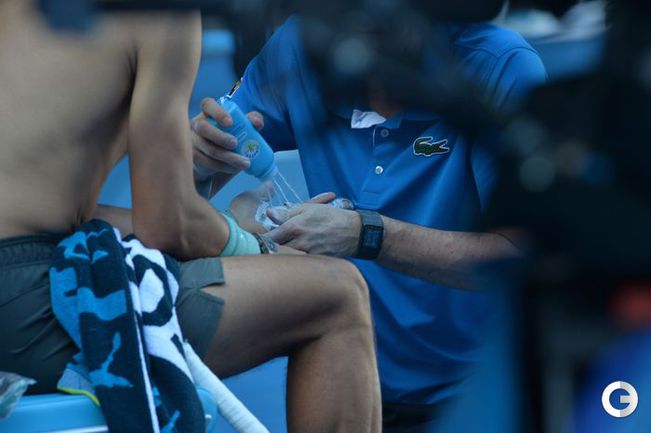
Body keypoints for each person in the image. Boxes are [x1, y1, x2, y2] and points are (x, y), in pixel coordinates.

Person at [0, 2, 382, 432]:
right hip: (18, 306)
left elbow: (47, 215)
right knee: (338, 292)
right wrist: (256, 245)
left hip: (17, 281)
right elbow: (166, 228)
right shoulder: (165, 13)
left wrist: (214, 216)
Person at [191, 14, 547, 432]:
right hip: (344, 376)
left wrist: (368, 234)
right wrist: (199, 161)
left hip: (476, 395)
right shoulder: (300, 45)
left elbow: (524, 258)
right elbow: (191, 188)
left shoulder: (502, 66)